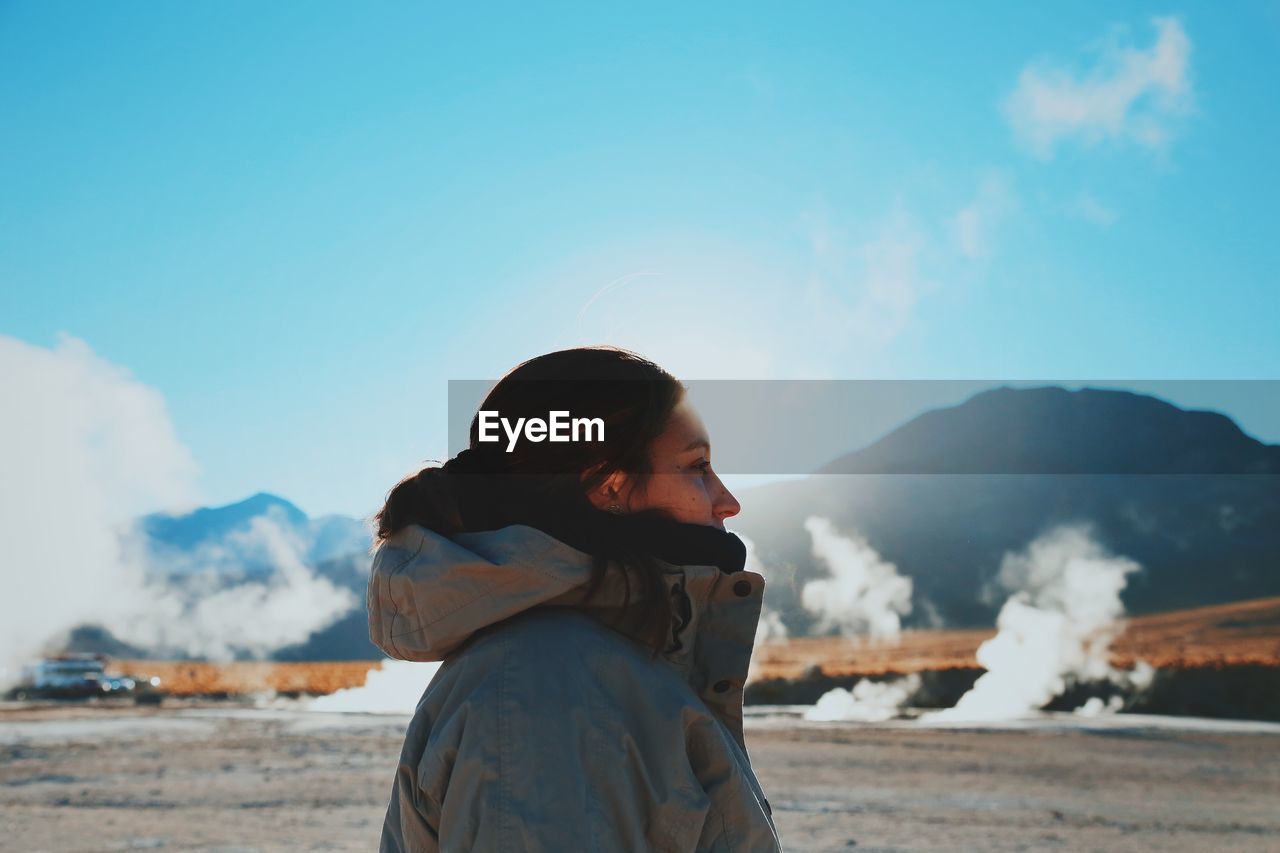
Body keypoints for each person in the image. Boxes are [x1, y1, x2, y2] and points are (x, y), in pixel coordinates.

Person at [368, 346, 782, 852]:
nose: (727, 500)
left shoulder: (587, 668)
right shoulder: (550, 692)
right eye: (697, 466)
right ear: (608, 485)